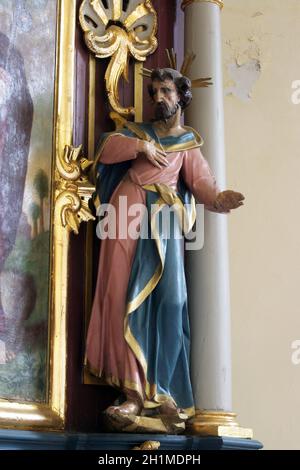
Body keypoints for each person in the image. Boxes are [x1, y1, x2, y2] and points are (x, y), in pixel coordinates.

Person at [85, 67, 244, 424]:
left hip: (163, 222)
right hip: (126, 213)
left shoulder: (188, 143)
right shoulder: (138, 133)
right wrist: (140, 146)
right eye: (154, 91)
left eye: (167, 92)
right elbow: (106, 150)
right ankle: (132, 395)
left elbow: (202, 184)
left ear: (182, 97)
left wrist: (220, 199)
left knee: (172, 300)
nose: (159, 98)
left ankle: (164, 390)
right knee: (120, 296)